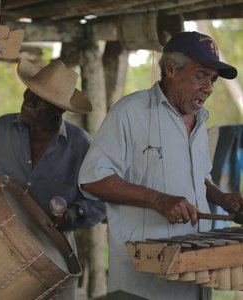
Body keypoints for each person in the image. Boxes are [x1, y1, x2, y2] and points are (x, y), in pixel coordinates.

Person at [79, 31, 243, 300]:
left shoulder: (200, 121)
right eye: (200, 75)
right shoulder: (130, 112)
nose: (209, 87)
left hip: (194, 279)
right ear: (171, 69)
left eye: (212, 79)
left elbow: (198, 178)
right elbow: (92, 178)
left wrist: (222, 198)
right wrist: (157, 199)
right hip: (141, 286)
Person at [0, 58, 106, 299]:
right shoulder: (2, 129)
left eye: (39, 99)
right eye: (30, 91)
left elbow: (100, 203)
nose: (28, 101)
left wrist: (75, 213)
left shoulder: (80, 144)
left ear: (58, 110)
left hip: (53, 255)